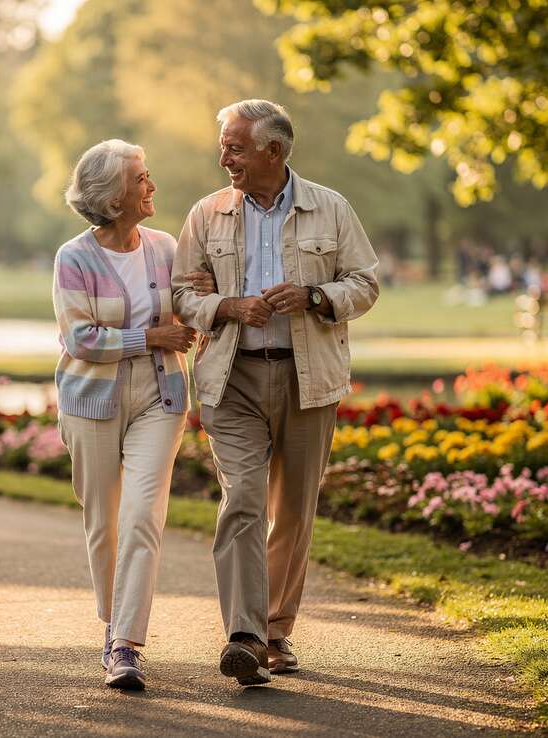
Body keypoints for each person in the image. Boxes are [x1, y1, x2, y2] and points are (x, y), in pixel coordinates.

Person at [172, 99, 379, 686]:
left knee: (293, 508)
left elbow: (365, 284)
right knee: (242, 497)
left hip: (307, 377)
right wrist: (225, 306)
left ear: (274, 151)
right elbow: (183, 293)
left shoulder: (331, 208)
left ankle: (275, 630)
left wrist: (315, 298)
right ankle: (244, 635)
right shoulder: (207, 214)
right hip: (230, 376)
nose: (224, 157)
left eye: (236, 147)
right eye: (224, 145)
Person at [52, 139, 213, 690]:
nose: (152, 186)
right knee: (104, 524)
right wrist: (149, 336)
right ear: (113, 196)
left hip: (160, 397)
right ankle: (110, 623)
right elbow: (79, 338)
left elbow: (194, 304)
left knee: (143, 515)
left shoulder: (167, 248)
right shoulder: (73, 258)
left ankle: (124, 645)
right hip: (91, 400)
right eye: (141, 178)